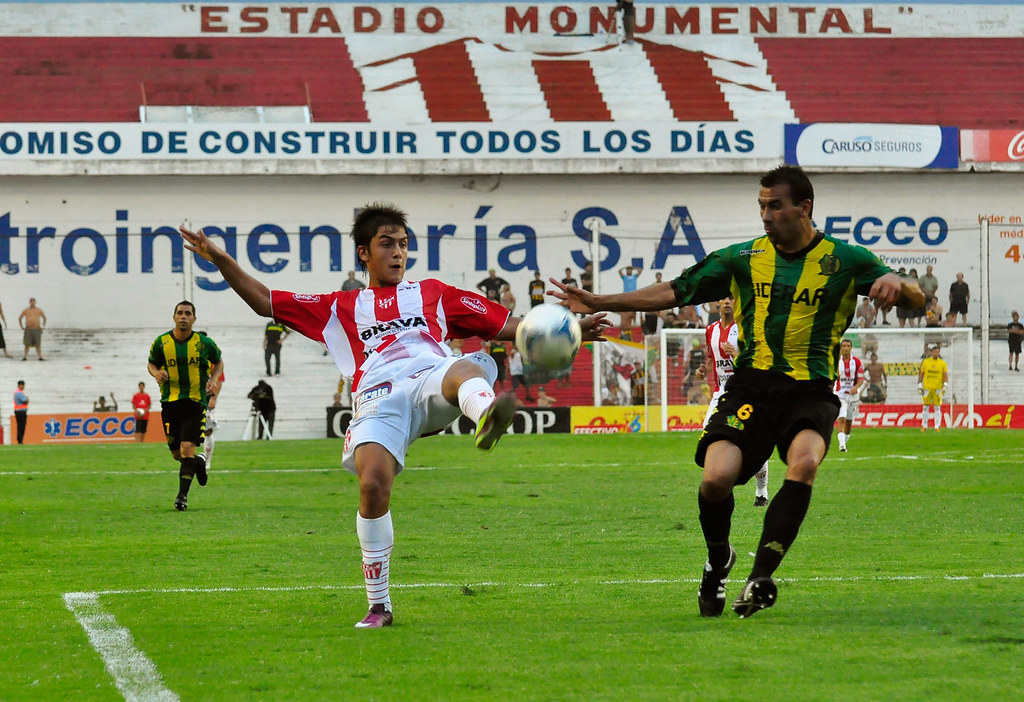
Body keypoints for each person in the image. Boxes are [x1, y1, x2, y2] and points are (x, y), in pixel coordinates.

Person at [180, 203, 609, 629]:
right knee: (372, 485)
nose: (398, 252)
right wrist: (220, 258)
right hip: (378, 394)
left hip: (431, 377)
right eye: (387, 244)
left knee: (465, 365)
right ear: (364, 253)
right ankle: (379, 605)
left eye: (404, 244)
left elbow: (509, 325)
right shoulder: (339, 307)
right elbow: (263, 300)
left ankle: (485, 415)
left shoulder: (435, 294)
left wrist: (567, 328)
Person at [550, 164, 922, 619]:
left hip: (810, 389)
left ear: (804, 207)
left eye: (775, 205)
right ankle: (718, 558)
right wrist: (599, 301)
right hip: (751, 386)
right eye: (762, 206)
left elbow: (915, 299)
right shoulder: (742, 257)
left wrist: (899, 284)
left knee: (803, 463)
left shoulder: (846, 260)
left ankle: (761, 576)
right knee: (715, 479)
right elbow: (675, 290)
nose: (766, 215)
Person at [147, 301, 224, 512]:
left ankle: (182, 496)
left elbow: (218, 362)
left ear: (194, 319)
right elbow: (151, 363)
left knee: (187, 448)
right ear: (174, 317)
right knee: (177, 454)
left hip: (195, 402)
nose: (183, 316)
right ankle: (198, 462)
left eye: (188, 313)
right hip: (170, 403)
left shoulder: (204, 343)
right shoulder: (162, 343)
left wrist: (214, 379)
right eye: (180, 313)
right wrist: (155, 373)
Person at [695, 295, 769, 506]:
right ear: (717, 302)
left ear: (736, 302)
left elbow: (756, 362)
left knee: (756, 444)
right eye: (723, 298)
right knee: (708, 435)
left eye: (731, 298)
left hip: (746, 393)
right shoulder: (711, 330)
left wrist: (736, 355)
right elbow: (711, 358)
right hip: (721, 393)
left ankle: (761, 492)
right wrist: (703, 369)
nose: (726, 301)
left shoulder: (747, 328)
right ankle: (722, 481)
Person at [834, 339, 865, 453]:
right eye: (844, 346)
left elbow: (861, 379)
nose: (846, 348)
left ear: (851, 348)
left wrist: (856, 387)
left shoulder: (856, 362)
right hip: (840, 393)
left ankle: (844, 442)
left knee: (849, 421)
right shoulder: (836, 361)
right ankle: (841, 445)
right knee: (841, 418)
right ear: (841, 348)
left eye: (848, 346)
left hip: (853, 395)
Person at [918, 344, 948, 432]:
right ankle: (924, 426)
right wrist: (919, 384)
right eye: (935, 352)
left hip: (937, 388)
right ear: (931, 352)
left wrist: (945, 384)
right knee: (925, 407)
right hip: (927, 388)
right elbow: (921, 373)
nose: (936, 353)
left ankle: (937, 426)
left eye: (938, 352)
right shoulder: (926, 362)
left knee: (937, 407)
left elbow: (945, 374)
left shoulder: (942, 363)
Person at [618, 265, 642, 333]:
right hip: (626, 294)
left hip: (634, 294)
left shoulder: (634, 276)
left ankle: (634, 321)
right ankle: (625, 322)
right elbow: (619, 271)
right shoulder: (624, 277)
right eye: (628, 270)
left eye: (630, 270)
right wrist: (625, 267)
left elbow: (640, 270)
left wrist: (634, 267)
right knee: (626, 309)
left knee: (634, 309)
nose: (629, 271)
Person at [13, 380, 28, 444]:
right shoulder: (19, 393)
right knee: (21, 426)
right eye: (22, 385)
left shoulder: (17, 392)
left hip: (18, 411)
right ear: (19, 385)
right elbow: (25, 401)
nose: (23, 386)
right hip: (21, 411)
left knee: (20, 425)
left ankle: (20, 439)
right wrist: (27, 399)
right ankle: (20, 440)